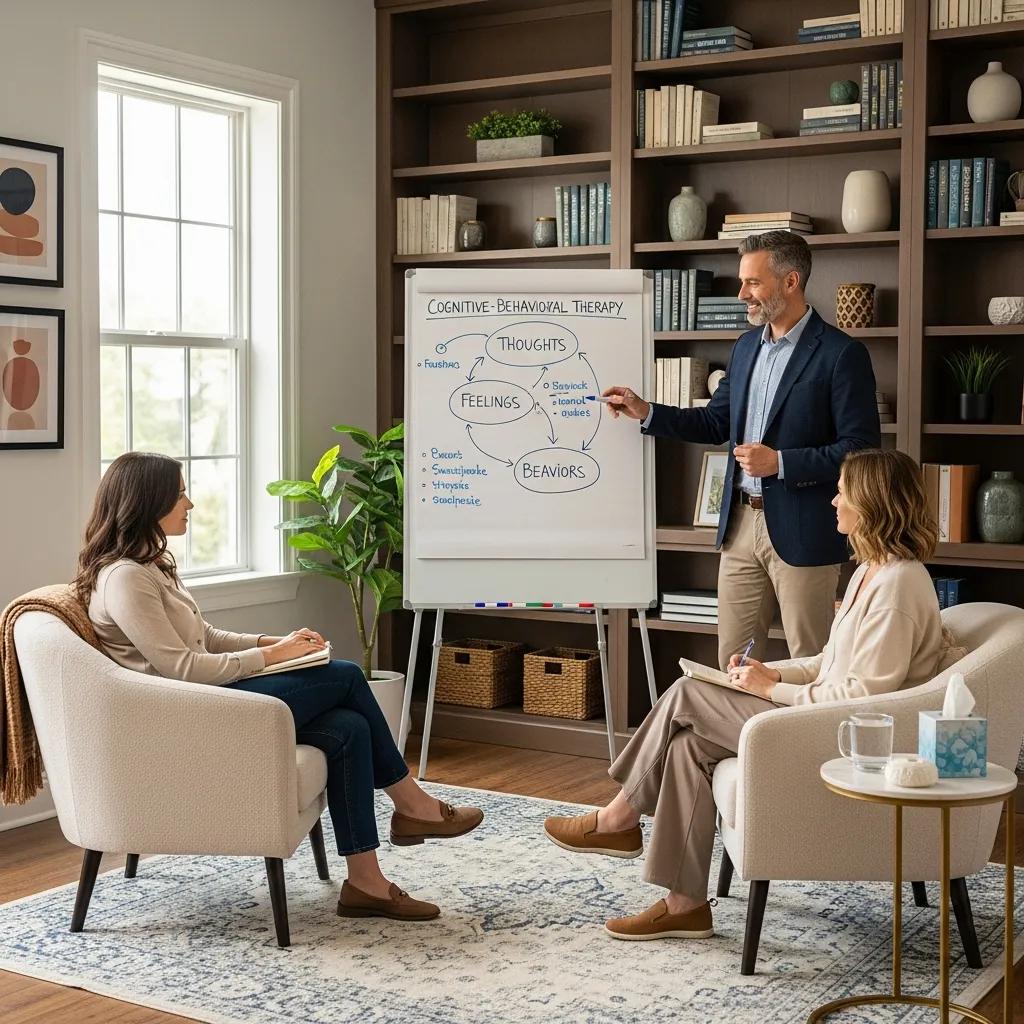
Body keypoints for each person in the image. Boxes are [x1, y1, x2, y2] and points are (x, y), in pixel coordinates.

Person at [544, 449, 943, 941]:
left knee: (690, 693)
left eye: (843, 491)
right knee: (689, 746)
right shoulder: (869, 571)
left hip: (844, 737)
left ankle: (619, 816)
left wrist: (773, 691)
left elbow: (863, 696)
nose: (834, 500)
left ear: (872, 501)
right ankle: (684, 903)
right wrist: (766, 669)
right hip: (823, 716)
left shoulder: (900, 585)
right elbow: (827, 663)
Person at [75, 451, 482, 923]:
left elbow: (204, 637)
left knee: (349, 727)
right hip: (189, 717)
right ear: (148, 502)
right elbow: (182, 668)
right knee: (347, 674)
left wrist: (276, 641)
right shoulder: (126, 578)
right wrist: (271, 658)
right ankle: (412, 804)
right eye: (180, 493)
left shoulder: (151, 566)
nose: (190, 503)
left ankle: (365, 883)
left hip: (208, 701)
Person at [604, 231, 881, 670]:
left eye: (753, 282)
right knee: (731, 662)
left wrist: (782, 463)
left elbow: (862, 450)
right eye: (743, 282)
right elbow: (715, 422)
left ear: (790, 282)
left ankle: (805, 742)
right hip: (738, 526)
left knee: (812, 663)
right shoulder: (746, 347)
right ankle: (739, 742)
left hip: (806, 529)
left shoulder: (841, 354)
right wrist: (646, 411)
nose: (741, 294)